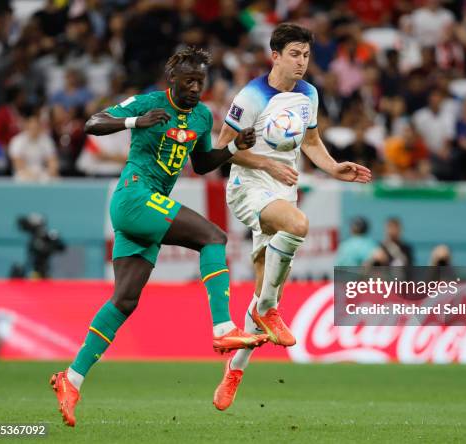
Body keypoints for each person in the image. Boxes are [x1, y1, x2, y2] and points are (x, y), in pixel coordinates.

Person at [49, 47, 268, 428]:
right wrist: (135, 121)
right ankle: (222, 329)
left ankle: (72, 379)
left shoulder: (201, 116)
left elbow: (200, 164)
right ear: (173, 80)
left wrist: (232, 147)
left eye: (201, 81)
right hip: (133, 196)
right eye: (189, 81)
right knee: (213, 237)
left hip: (150, 206)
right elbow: (92, 123)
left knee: (124, 300)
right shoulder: (149, 103)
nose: (196, 88)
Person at [212, 23, 372, 411]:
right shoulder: (251, 96)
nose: (301, 63)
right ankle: (267, 311)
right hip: (249, 185)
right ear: (276, 55)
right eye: (294, 55)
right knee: (299, 224)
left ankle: (235, 370)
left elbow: (312, 142)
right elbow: (221, 150)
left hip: (285, 186)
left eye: (306, 55)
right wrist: (266, 163)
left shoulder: (309, 94)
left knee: (268, 287)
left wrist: (333, 168)